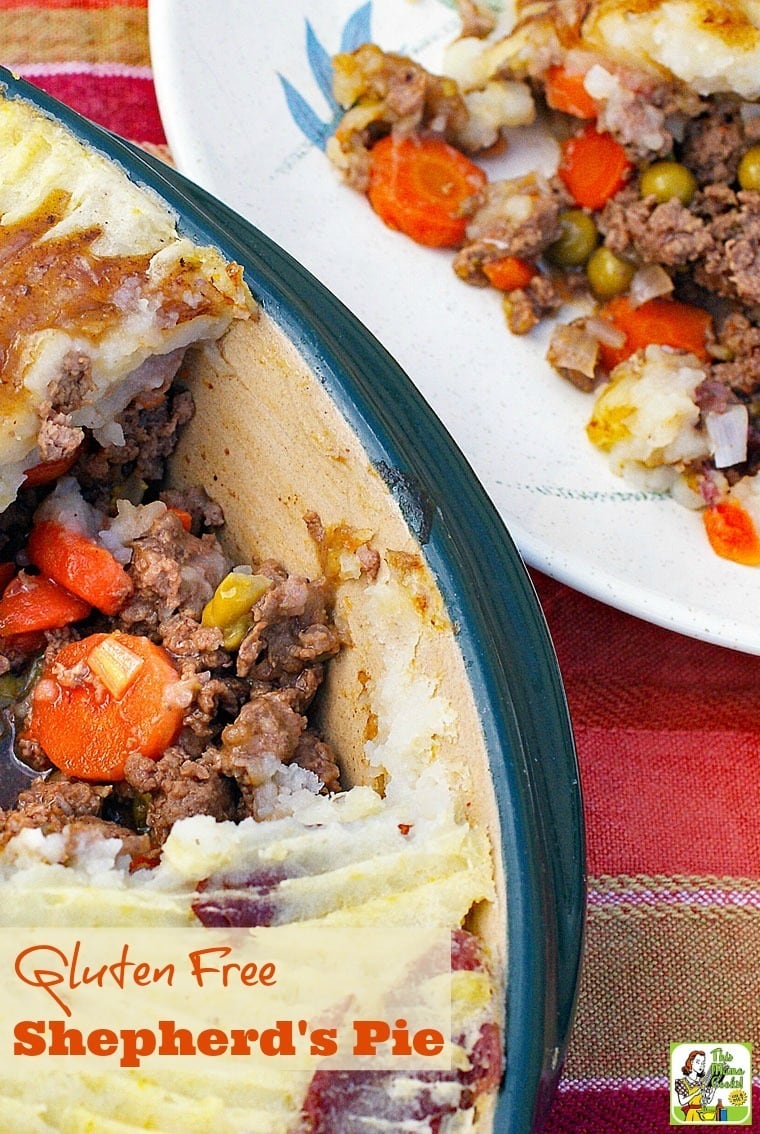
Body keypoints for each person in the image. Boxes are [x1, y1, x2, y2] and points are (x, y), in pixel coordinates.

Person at [674, 1050, 716, 1122]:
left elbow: (707, 1101)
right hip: (691, 1114)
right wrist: (695, 1093)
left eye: (703, 1063)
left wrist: (713, 1089)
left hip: (702, 1114)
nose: (701, 1066)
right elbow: (682, 1102)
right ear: (691, 1062)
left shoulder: (703, 1081)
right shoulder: (681, 1082)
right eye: (698, 1062)